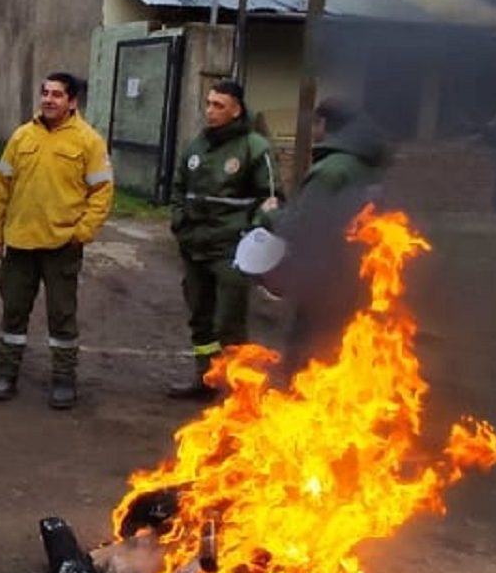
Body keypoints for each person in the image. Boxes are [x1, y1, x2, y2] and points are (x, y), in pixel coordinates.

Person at [0, 72, 114, 410]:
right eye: (45, 93)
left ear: (72, 102)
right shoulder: (21, 137)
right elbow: (0, 189)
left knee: (62, 316)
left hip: (62, 246)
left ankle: (63, 380)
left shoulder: (89, 141)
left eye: (57, 95)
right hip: (20, 243)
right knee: (13, 313)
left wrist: (82, 233)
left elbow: (101, 194)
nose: (48, 100)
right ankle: (6, 374)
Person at [165, 79, 280, 400]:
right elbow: (178, 188)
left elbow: (271, 200)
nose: (210, 111)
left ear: (236, 110)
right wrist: (179, 221)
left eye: (218, 105)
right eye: (208, 104)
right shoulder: (197, 146)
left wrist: (251, 236)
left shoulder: (255, 147)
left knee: (229, 323)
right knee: (200, 319)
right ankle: (206, 378)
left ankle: (239, 393)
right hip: (195, 246)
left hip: (231, 251)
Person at [260, 96, 391, 377]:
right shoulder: (369, 167)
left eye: (315, 122)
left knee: (305, 352)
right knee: (343, 349)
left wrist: (270, 214)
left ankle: (297, 409)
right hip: (361, 274)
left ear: (324, 124)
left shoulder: (330, 171)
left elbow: (300, 226)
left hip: (322, 277)